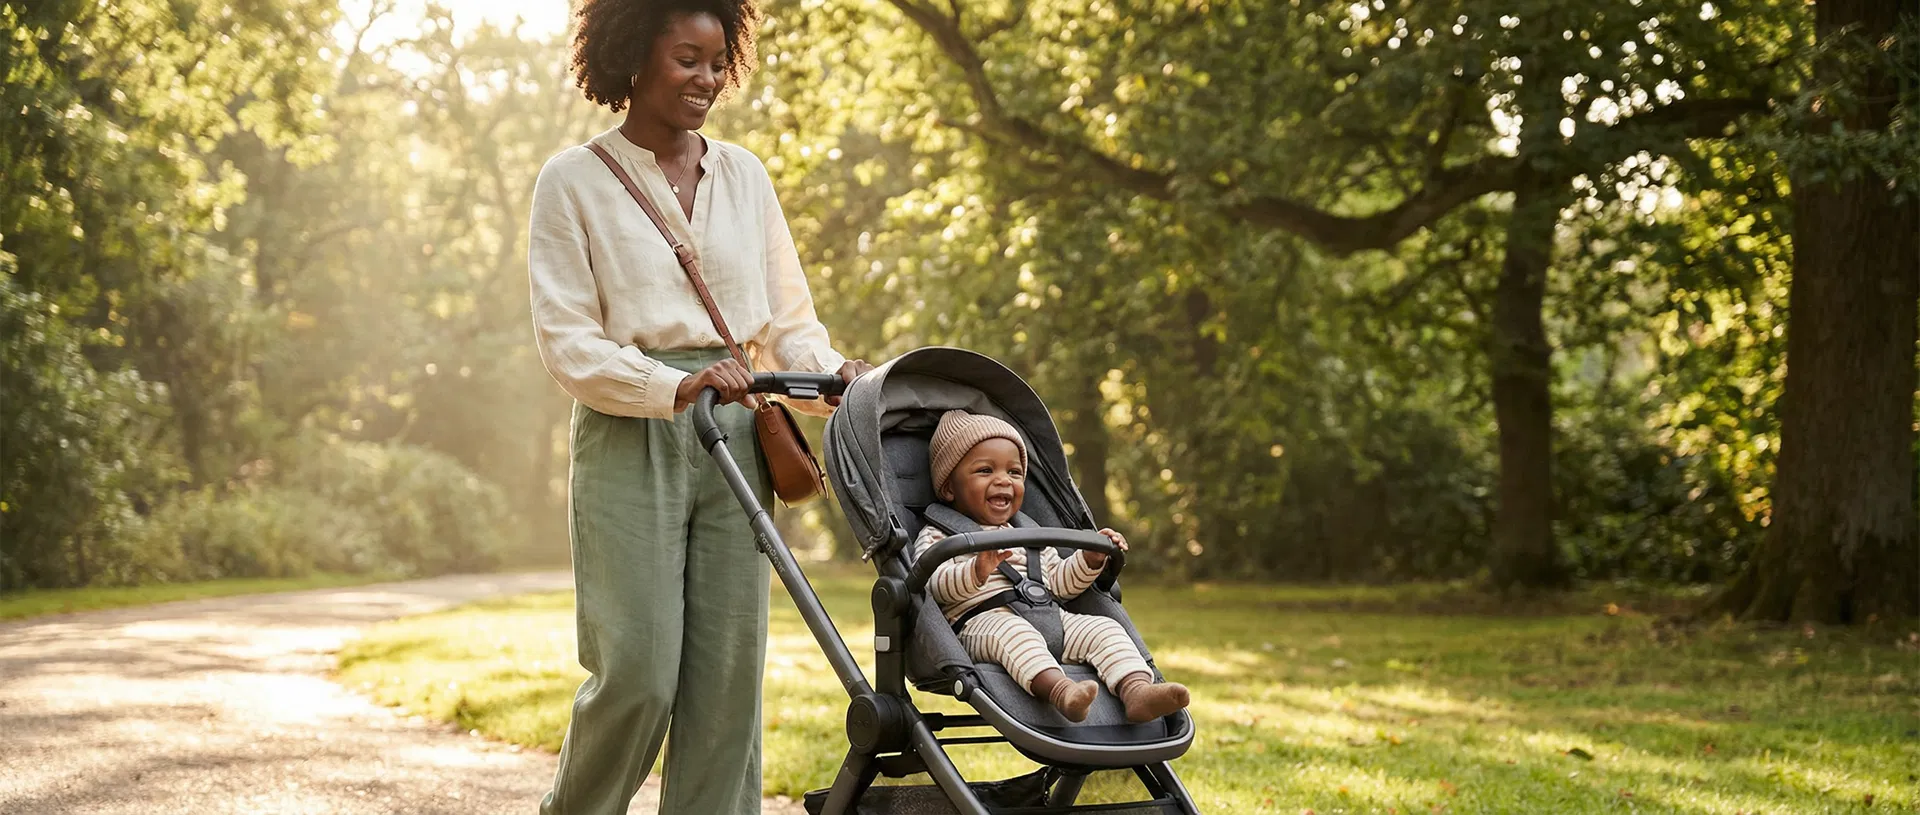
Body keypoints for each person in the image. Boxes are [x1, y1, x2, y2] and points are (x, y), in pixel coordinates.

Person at [526, 0, 871, 812]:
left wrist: (841, 378)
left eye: (717, 63)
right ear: (632, 56)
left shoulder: (745, 176)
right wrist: (673, 385)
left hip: (740, 432)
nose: (707, 80)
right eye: (687, 59)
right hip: (629, 430)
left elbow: (787, 325)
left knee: (726, 685)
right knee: (638, 674)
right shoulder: (573, 180)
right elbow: (567, 340)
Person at [912, 410, 1190, 724]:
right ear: (949, 488)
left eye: (1014, 472)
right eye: (985, 470)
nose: (1003, 480)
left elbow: (1058, 584)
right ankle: (1063, 693)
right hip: (981, 625)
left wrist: (1089, 560)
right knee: (1014, 633)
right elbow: (931, 585)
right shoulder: (938, 534)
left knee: (1104, 628)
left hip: (1048, 617)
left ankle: (1136, 690)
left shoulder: (1029, 534)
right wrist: (975, 571)